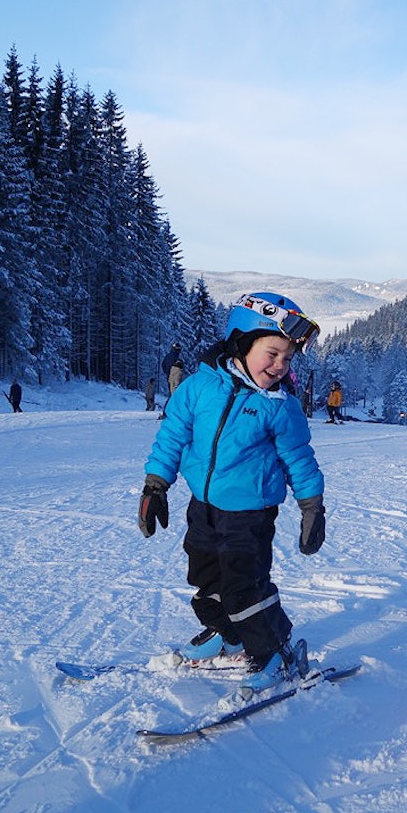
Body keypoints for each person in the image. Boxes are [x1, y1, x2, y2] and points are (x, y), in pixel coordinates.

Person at [138, 292, 326, 691]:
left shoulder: (279, 405)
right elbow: (172, 435)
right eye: (272, 353)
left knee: (245, 584)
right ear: (240, 342)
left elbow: (299, 458)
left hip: (251, 513)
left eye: (288, 359)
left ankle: (273, 649)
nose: (280, 366)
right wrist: (156, 484)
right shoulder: (198, 387)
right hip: (203, 506)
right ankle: (231, 636)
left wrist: (311, 505)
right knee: (204, 576)